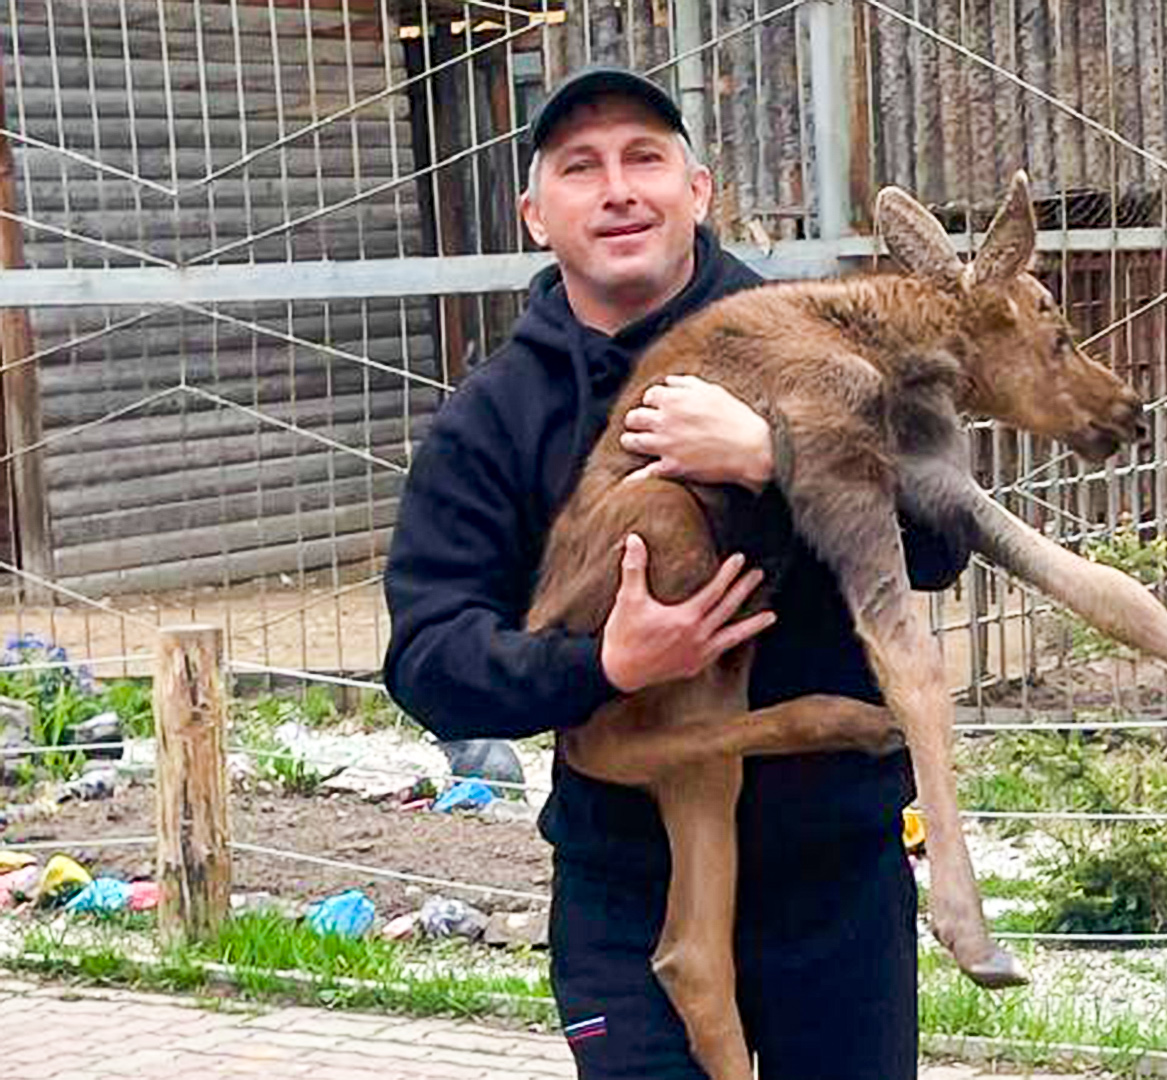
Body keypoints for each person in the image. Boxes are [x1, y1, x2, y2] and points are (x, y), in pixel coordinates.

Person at [381, 66, 970, 1080]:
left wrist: (774, 457)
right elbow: (428, 662)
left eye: (645, 157)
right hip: (627, 892)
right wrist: (602, 665)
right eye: (581, 167)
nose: (618, 189)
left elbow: (939, 546)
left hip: (833, 883)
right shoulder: (496, 419)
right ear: (534, 215)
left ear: (699, 192)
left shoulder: (820, 342)